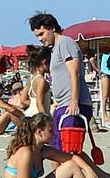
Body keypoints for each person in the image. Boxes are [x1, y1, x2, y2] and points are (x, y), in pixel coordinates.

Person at [28, 12, 92, 146]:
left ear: (52, 28)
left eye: (42, 34)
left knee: (68, 148)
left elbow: (75, 73)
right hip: (63, 105)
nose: (40, 39)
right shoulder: (55, 48)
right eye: (37, 36)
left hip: (72, 105)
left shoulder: (65, 42)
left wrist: (74, 101)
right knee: (56, 147)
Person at [23, 46, 53, 117]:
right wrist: (46, 120)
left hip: (29, 114)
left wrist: (33, 104)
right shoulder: (41, 81)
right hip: (39, 117)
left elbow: (23, 100)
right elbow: (39, 103)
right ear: (45, 62)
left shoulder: (30, 79)